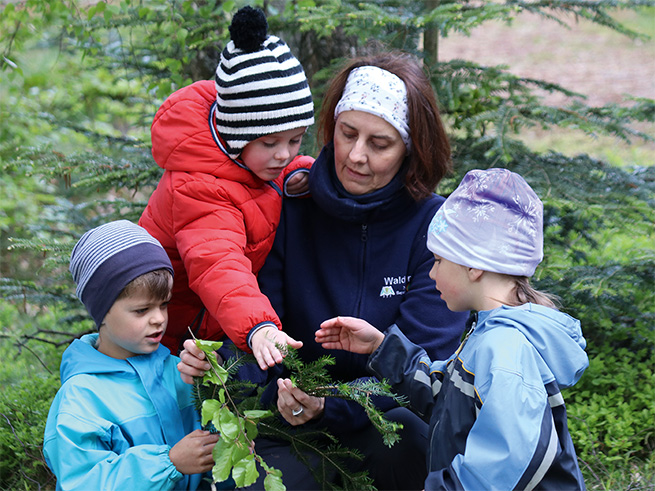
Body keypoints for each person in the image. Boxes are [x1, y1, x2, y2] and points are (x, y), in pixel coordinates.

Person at [180, 51, 470, 489]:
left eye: (379, 144)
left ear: (411, 149)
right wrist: (230, 370)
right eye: (347, 133)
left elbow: (424, 363)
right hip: (287, 416)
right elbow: (257, 321)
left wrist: (332, 406)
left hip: (387, 421)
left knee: (412, 443)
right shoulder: (289, 204)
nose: (356, 156)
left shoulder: (434, 229)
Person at [316, 168, 589, 490]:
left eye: (438, 261)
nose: (431, 273)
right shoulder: (489, 332)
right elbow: (448, 397)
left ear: (474, 266)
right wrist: (381, 347)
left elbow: (506, 461)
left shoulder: (505, 348)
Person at [138, 6, 315, 369]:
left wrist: (301, 172)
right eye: (270, 143)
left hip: (203, 330)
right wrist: (259, 327)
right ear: (237, 136)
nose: (283, 154)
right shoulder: (199, 188)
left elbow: (259, 177)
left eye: (295, 140)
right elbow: (218, 263)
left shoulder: (245, 158)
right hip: (168, 339)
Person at [43, 220, 219, 491]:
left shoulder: (179, 371)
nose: (158, 319)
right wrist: (168, 464)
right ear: (101, 311)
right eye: (141, 310)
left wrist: (216, 384)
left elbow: (215, 453)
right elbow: (82, 482)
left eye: (164, 304)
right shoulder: (82, 396)